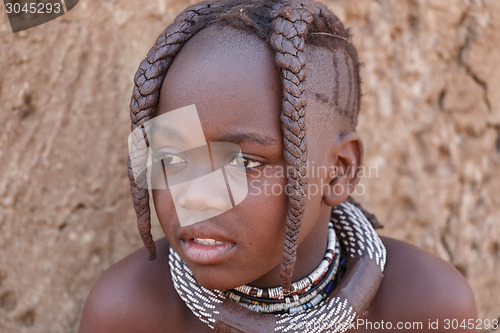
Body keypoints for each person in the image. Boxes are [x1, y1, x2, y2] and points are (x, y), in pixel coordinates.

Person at [78, 0, 478, 332]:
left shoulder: (425, 307)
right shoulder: (131, 312)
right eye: (175, 157)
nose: (193, 194)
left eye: (246, 161)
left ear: (339, 171)